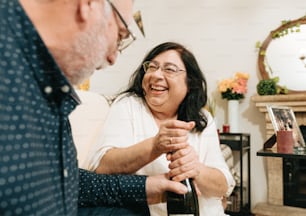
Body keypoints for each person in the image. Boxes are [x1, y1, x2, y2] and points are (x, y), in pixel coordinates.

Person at [0, 1, 188, 216]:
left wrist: (142, 187)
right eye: (120, 35)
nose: (112, 58)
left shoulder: (49, 87)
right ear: (89, 5)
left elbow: (65, 181)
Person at [87, 42, 236, 216]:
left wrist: (196, 169)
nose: (156, 75)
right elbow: (101, 166)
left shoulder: (202, 118)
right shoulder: (128, 105)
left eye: (169, 69)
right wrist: (155, 146)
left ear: (190, 83)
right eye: (152, 67)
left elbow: (223, 186)